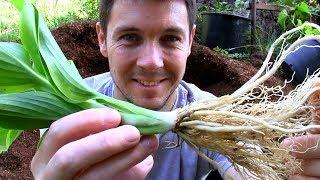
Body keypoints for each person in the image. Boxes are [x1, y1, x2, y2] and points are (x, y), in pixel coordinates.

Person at [30, 0, 320, 179]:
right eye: (130, 37)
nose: (152, 63)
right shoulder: (70, 111)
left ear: (191, 41)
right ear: (102, 39)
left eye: (170, 38)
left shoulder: (211, 115)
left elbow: (243, 165)